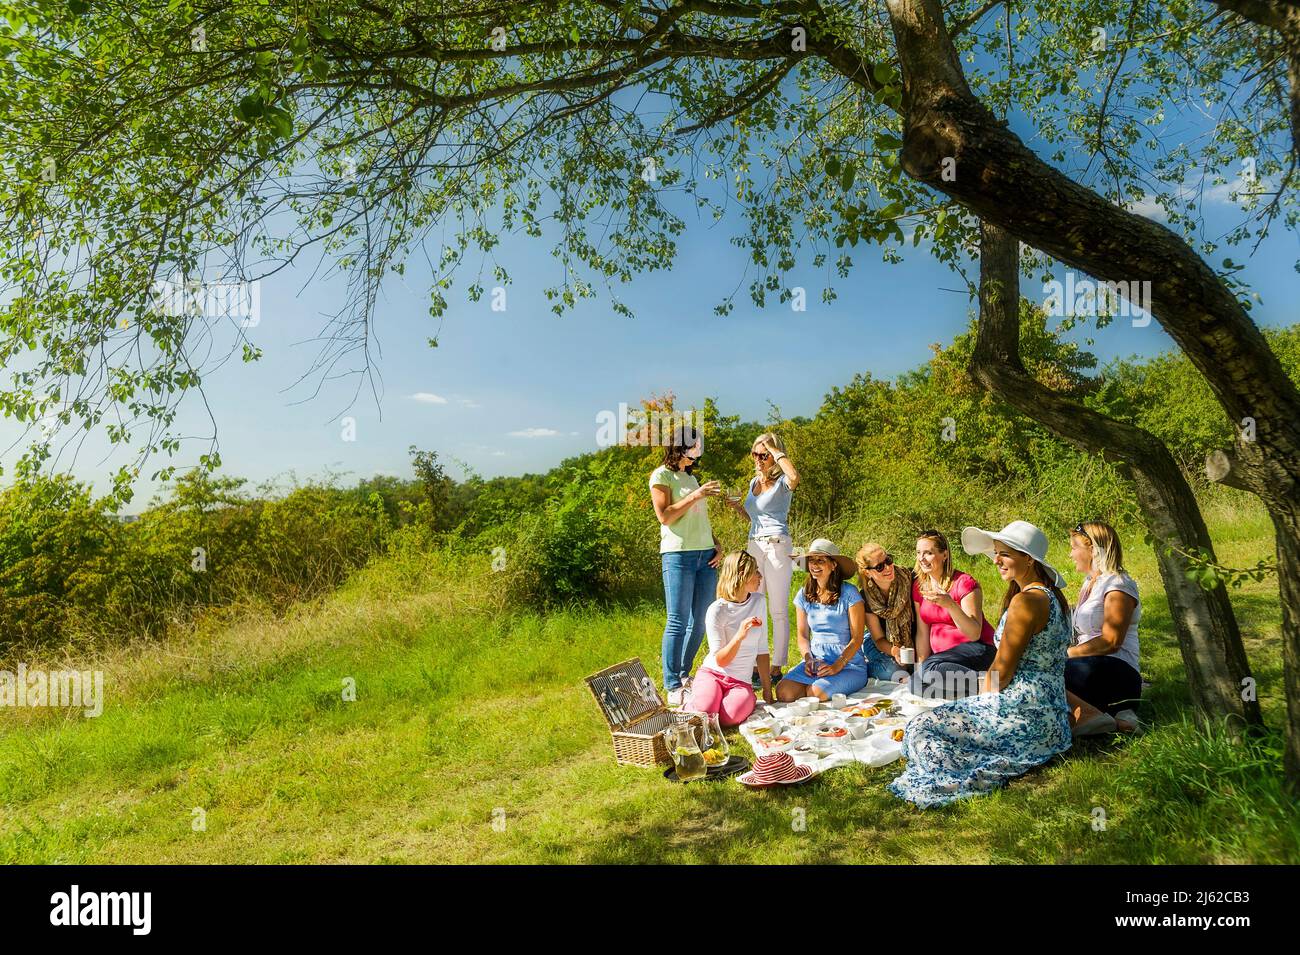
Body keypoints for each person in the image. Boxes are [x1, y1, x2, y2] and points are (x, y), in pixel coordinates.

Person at [889, 521, 1072, 808]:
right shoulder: (1054, 598)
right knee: (931, 697)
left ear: (1028, 559)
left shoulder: (1026, 602)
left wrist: (980, 707)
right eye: (996, 553)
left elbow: (1000, 673)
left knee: (919, 729)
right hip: (1052, 717)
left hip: (1022, 711)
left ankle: (973, 763)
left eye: (1005, 554)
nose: (996, 560)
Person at [650, 426, 724, 706]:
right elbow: (665, 516)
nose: (698, 451)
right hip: (678, 555)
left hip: (705, 556)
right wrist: (697, 495)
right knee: (678, 621)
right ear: (681, 446)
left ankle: (684, 675)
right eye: (695, 446)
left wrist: (715, 544)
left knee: (702, 621)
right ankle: (671, 684)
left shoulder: (691, 478)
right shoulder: (662, 475)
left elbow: (697, 521)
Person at [723, 433, 799, 684]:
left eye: (763, 454)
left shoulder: (782, 482)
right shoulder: (753, 482)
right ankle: (757, 664)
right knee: (754, 605)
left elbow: (795, 477)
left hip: (777, 546)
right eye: (754, 454)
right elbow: (754, 518)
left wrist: (775, 451)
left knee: (777, 609)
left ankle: (777, 666)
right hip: (754, 544)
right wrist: (737, 508)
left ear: (774, 456)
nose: (757, 459)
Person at [1066, 521, 1143, 736]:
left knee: (1046, 673)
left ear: (1092, 549)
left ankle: (1096, 715)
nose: (1070, 554)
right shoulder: (1090, 583)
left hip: (1117, 669)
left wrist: (1065, 655)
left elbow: (1111, 641)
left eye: (1074, 547)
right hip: (1091, 666)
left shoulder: (1118, 584)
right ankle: (1116, 715)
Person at [775, 539, 870, 701]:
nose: (815, 565)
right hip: (817, 662)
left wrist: (837, 665)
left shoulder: (850, 593)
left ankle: (815, 687)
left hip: (848, 664)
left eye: (821, 560)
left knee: (815, 693)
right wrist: (808, 659)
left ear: (833, 565)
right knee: (784, 692)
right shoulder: (803, 594)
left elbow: (857, 638)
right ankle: (810, 685)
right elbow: (803, 636)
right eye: (811, 560)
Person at [688, 551, 774, 725]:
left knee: (728, 718)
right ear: (741, 576)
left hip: (740, 682)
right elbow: (720, 660)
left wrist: (767, 689)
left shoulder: (759, 601)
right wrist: (740, 635)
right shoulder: (717, 610)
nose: (760, 576)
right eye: (755, 571)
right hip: (713, 674)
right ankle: (692, 701)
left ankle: (714, 700)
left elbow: (762, 650)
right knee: (706, 713)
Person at [912, 529, 997, 698]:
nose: (921, 558)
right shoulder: (919, 587)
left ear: (944, 555)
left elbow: (974, 633)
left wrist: (950, 605)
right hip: (945, 662)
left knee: (929, 670)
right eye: (919, 553)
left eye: (928, 553)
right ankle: (978, 694)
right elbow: (922, 633)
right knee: (915, 684)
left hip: (978, 650)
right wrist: (920, 667)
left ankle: (992, 683)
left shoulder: (963, 583)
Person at [856, 542, 915, 681]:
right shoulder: (866, 597)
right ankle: (860, 668)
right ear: (867, 572)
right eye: (879, 567)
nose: (888, 568)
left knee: (916, 668)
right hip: (879, 642)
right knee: (893, 671)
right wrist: (895, 651)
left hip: (911, 642)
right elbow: (878, 639)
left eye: (888, 560)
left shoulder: (909, 578)